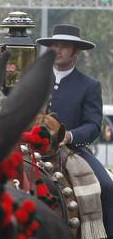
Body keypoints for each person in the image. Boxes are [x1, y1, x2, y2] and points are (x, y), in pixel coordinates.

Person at [37, 24, 113, 235]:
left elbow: (93, 126)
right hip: (32, 147)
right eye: (54, 45)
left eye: (64, 46)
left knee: (106, 186)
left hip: (71, 151)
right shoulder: (36, 79)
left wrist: (69, 136)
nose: (57, 50)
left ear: (76, 51)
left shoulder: (89, 85)